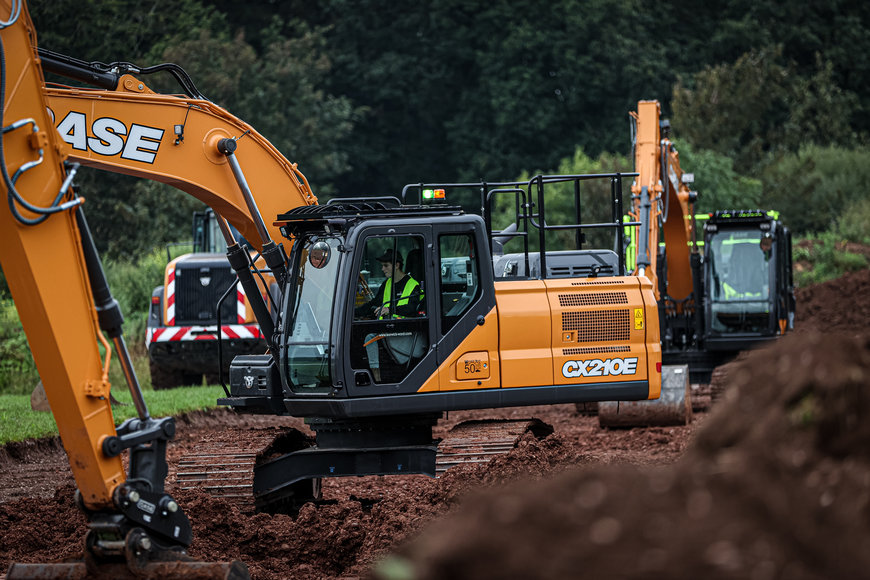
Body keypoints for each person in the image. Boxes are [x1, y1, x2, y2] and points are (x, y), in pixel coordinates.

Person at [357, 249, 425, 382]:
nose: (382, 269)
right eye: (382, 265)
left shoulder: (413, 285)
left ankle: (377, 380)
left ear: (397, 265)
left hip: (406, 333)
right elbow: (374, 304)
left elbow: (412, 309)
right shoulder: (387, 283)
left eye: (386, 265)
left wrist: (389, 309)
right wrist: (353, 313)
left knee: (369, 338)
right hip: (389, 329)